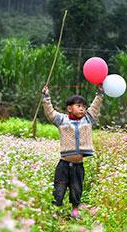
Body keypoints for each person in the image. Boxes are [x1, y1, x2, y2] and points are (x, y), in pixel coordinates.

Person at [41, 85, 104, 219]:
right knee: (59, 189)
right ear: (70, 108)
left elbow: (95, 105)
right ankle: (54, 212)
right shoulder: (62, 120)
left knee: (77, 190)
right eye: (78, 106)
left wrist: (100, 93)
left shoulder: (88, 119)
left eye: (84, 106)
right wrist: (46, 97)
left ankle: (74, 212)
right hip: (63, 165)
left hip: (78, 166)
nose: (82, 108)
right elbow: (50, 112)